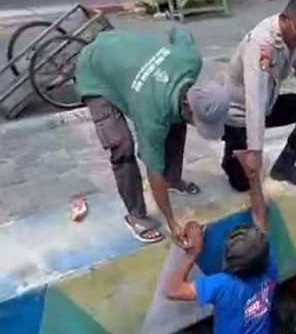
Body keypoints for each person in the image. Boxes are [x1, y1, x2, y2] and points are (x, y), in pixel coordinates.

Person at [74, 27, 231, 245]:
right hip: (94, 72)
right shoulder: (152, 117)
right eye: (199, 120)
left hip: (121, 46)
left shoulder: (190, 59)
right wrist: (172, 222)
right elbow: (153, 171)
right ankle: (136, 216)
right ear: (188, 101)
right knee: (121, 147)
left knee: (177, 121)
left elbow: (178, 31)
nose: (198, 125)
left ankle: (173, 179)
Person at [223, 0, 296, 231]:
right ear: (284, 19)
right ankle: (230, 159)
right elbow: (253, 102)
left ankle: (284, 166)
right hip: (239, 114)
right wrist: (255, 150)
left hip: (267, 104)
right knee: (242, 181)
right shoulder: (261, 45)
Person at [166, 223, 287, 334]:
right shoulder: (270, 271)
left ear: (227, 261)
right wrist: (255, 194)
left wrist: (193, 252)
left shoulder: (221, 285)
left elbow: (172, 290)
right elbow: (261, 224)